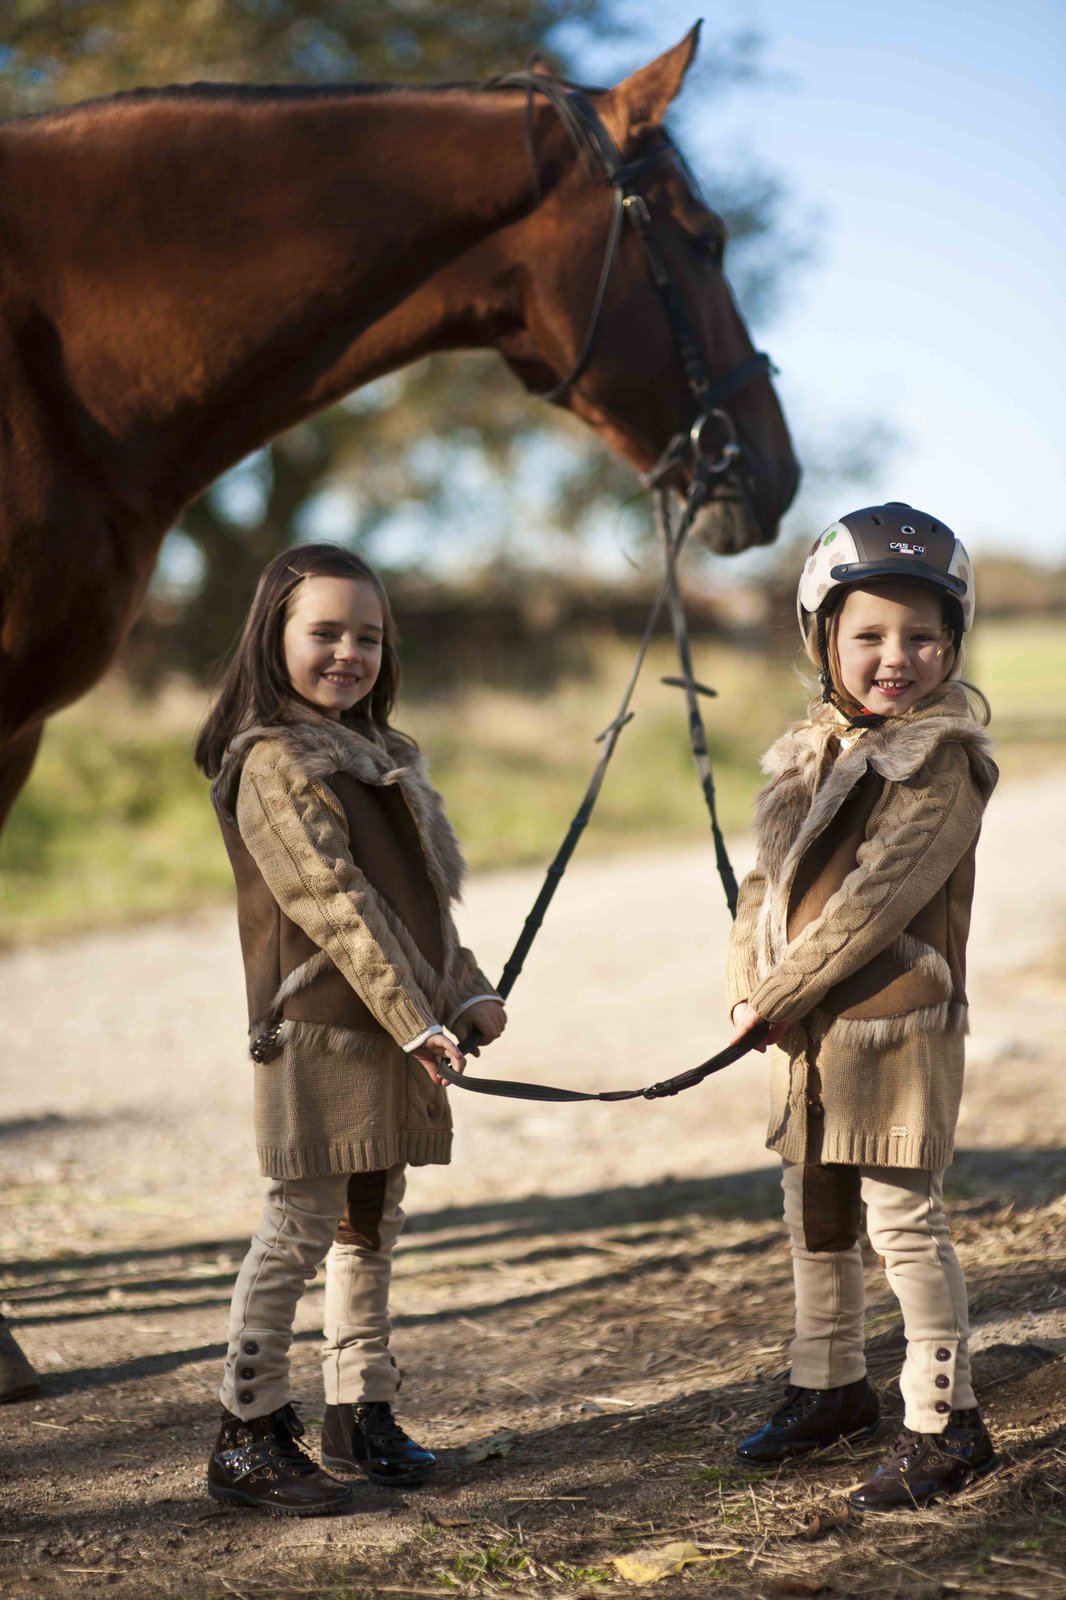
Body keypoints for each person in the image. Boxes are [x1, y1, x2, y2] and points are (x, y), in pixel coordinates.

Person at [194, 544, 506, 1516]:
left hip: (391, 1032)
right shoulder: (272, 762)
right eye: (324, 632)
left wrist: (465, 992)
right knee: (297, 1226)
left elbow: (420, 910)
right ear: (274, 636)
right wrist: (419, 1022)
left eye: (366, 636)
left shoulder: (385, 759)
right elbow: (334, 903)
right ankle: (245, 1433)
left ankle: (357, 1408)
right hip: (320, 1033)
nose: (347, 652)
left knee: (370, 1220)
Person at [725, 503, 998, 1511]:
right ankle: (827, 1383)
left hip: (893, 1030)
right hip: (803, 1032)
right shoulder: (810, 750)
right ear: (822, 639)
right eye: (868, 635)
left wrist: (776, 994)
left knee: (903, 1222)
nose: (896, 657)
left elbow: (873, 902)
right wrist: (741, 981)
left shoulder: (943, 759)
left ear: (951, 644)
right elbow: (765, 885)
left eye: (921, 636)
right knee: (815, 1210)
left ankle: (946, 1419)